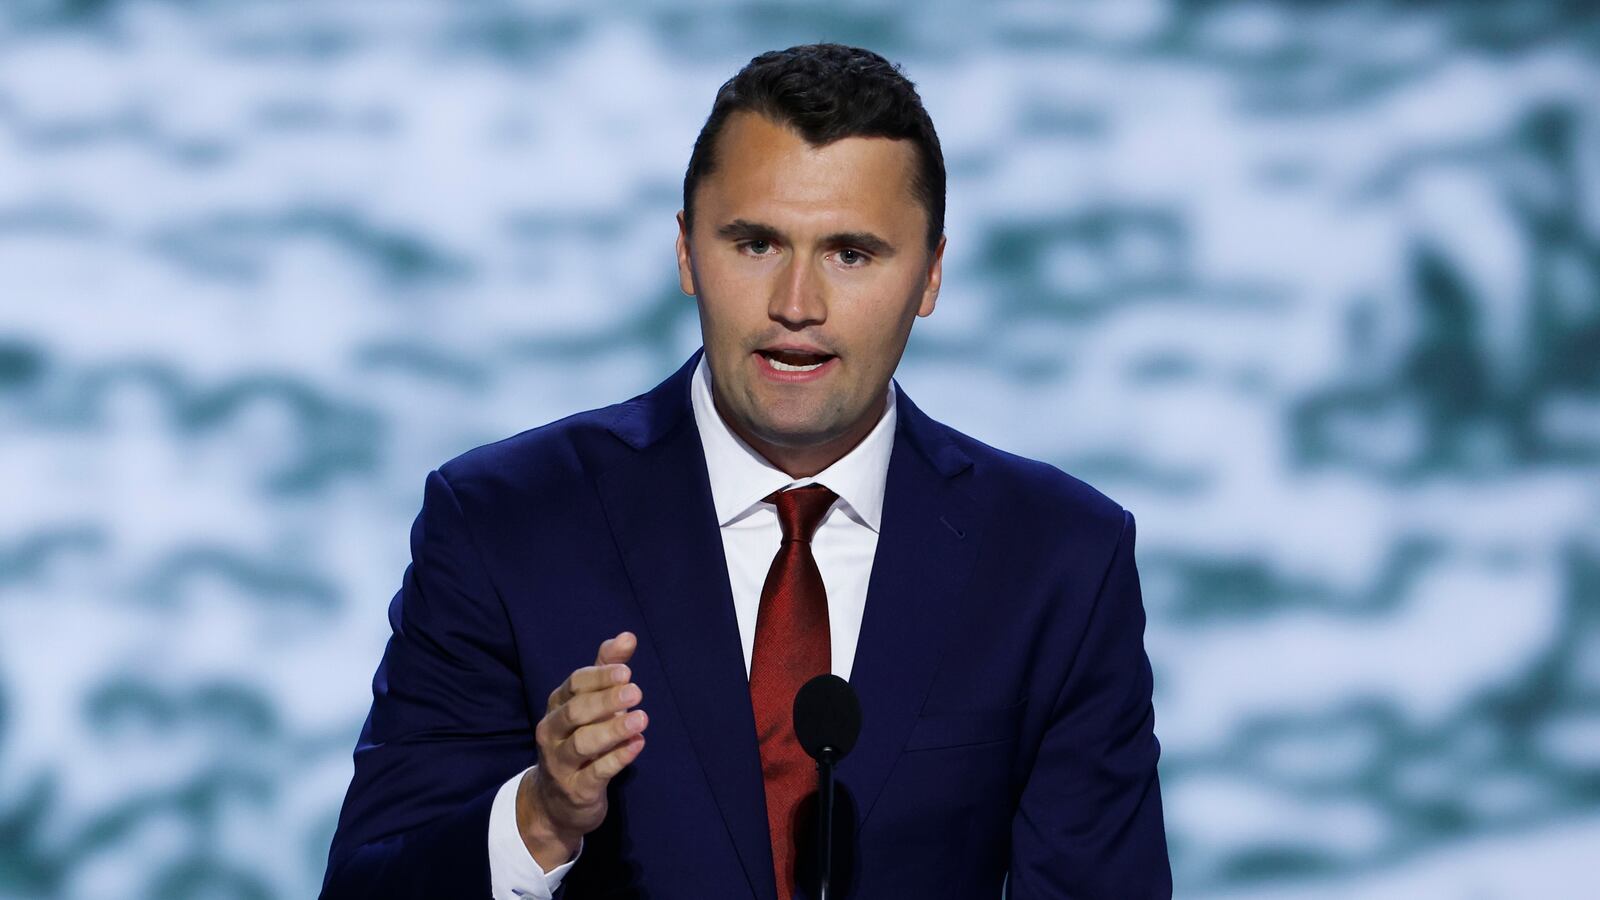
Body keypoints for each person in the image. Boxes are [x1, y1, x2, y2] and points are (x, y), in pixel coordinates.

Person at [321, 43, 1170, 899]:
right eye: (757, 243)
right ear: (688, 252)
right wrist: (539, 817)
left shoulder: (1058, 560)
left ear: (931, 275)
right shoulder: (504, 524)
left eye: (851, 254)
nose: (796, 304)